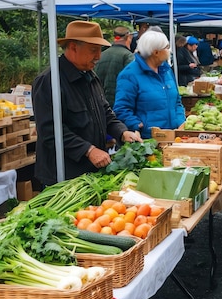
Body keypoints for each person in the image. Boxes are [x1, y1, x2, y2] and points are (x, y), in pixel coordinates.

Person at [32, 21, 142, 186]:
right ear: (73, 47)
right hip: (62, 175)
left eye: (99, 50)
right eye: (93, 50)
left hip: (90, 171)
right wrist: (88, 150)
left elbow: (105, 111)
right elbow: (50, 131)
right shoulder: (49, 81)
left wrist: (122, 132)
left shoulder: (90, 76)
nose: (98, 56)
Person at [114, 30, 185, 139]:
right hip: (148, 140)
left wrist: (180, 122)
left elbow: (177, 101)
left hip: (173, 137)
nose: (169, 51)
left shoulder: (166, 71)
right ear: (156, 52)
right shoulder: (129, 75)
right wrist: (138, 125)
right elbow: (122, 108)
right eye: (166, 47)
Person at [94, 26, 135, 106]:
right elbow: (132, 82)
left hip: (101, 105)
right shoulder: (128, 56)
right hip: (121, 105)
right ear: (129, 38)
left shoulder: (101, 55)